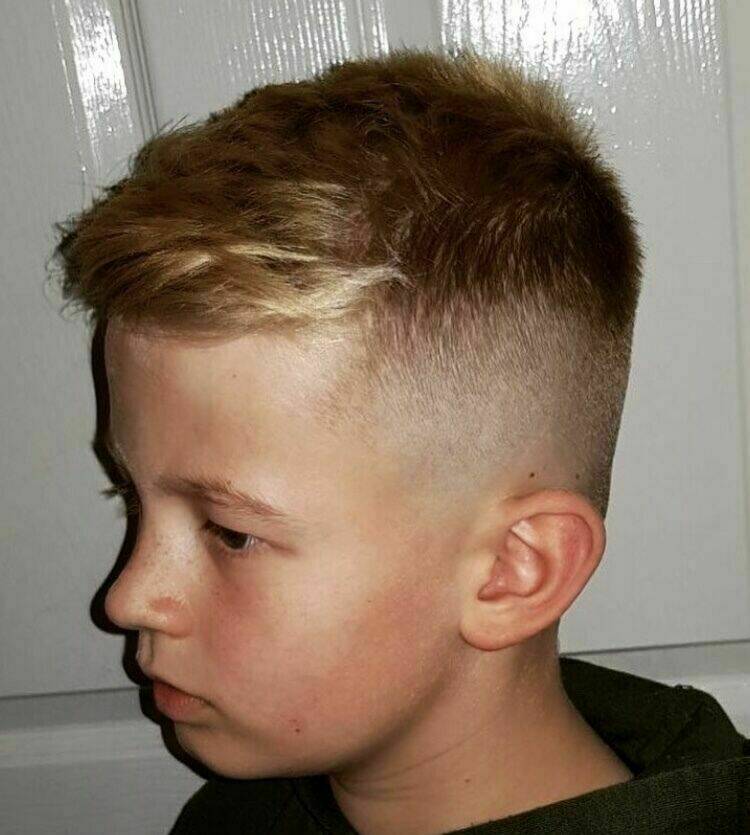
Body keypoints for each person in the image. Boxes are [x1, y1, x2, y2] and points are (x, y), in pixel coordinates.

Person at [51, 46, 749, 834]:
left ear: (512, 569)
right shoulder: (235, 816)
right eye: (129, 495)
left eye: (231, 532)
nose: (129, 597)